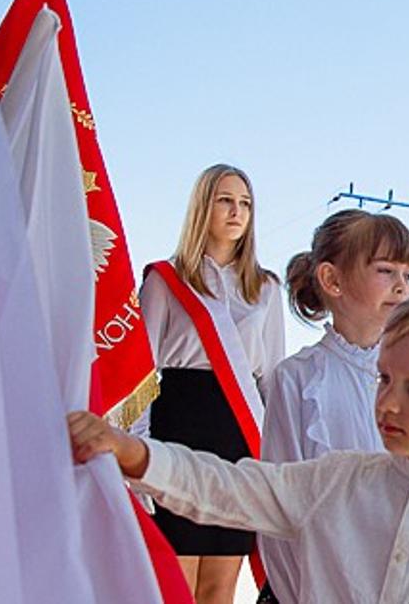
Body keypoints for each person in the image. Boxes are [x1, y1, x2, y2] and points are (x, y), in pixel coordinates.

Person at [68, 288, 409, 603]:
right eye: (384, 378)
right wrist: (133, 453)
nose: (388, 403)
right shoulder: (336, 481)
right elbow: (228, 487)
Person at [140, 163, 287, 604]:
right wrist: (139, 452)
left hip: (237, 437)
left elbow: (273, 378)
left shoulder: (265, 289)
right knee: (176, 582)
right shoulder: (165, 281)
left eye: (245, 203)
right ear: (203, 206)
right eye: (225, 200)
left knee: (220, 588)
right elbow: (142, 373)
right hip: (178, 429)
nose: (237, 211)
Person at [257, 209, 409, 602]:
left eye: (407, 275)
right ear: (332, 279)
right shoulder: (297, 378)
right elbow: (281, 506)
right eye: (385, 271)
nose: (402, 288)